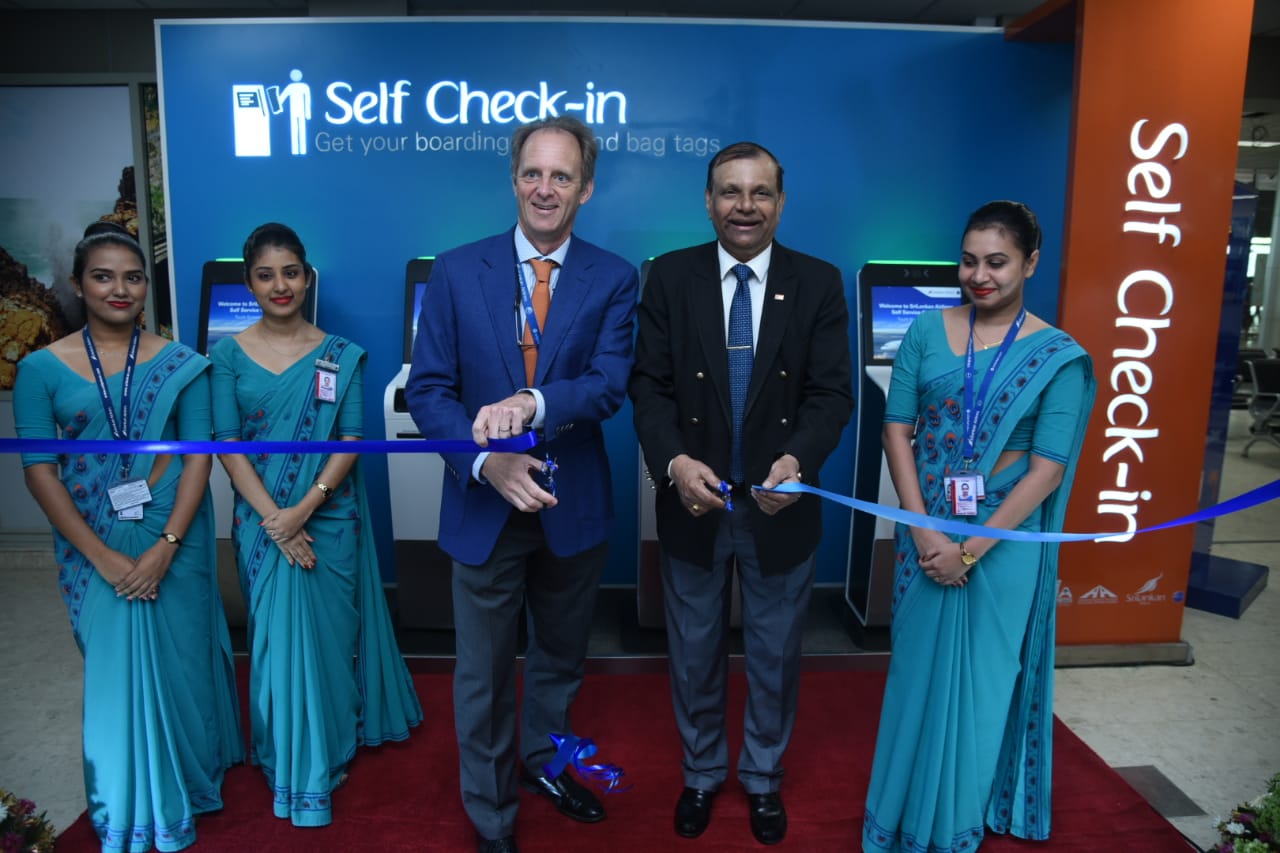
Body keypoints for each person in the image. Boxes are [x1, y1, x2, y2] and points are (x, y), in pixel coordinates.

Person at [405, 115, 638, 853]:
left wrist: (533, 404)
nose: (545, 188)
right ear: (513, 179)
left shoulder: (614, 277)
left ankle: (544, 762)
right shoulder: (455, 270)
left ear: (585, 188)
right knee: (480, 676)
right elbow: (428, 390)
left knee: (560, 660)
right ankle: (492, 816)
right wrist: (487, 463)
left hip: (573, 504)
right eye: (533, 173)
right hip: (484, 506)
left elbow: (608, 383)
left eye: (561, 175)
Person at [629, 141, 854, 845]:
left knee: (775, 654)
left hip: (779, 505)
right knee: (694, 651)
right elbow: (648, 387)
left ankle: (761, 777)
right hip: (693, 503)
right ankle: (701, 772)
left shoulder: (818, 282)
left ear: (780, 203)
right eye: (731, 191)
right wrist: (673, 464)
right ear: (708, 201)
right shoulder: (670, 277)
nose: (745, 206)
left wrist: (798, 459)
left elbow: (831, 394)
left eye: (760, 193)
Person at [862, 201, 1096, 852]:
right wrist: (922, 531)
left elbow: (1047, 470)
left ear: (1030, 263)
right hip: (924, 533)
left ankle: (956, 821)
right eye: (969, 262)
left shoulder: (1057, 357)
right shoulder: (926, 331)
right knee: (915, 678)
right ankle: (901, 819)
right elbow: (895, 431)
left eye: (997, 262)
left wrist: (970, 550)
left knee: (983, 687)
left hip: (1003, 545)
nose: (980, 276)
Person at [14, 229, 243, 851]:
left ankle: (192, 783)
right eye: (103, 276)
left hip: (175, 533)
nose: (120, 289)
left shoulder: (182, 363)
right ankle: (129, 807)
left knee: (184, 661)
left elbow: (198, 456)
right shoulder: (40, 369)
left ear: (147, 286)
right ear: (78, 284)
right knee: (116, 675)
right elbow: (39, 470)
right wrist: (103, 556)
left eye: (133, 277)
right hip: (93, 543)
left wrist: (166, 544)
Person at [210, 222, 422, 827]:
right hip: (260, 524)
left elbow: (351, 439)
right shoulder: (225, 356)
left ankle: (329, 746)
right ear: (249, 283)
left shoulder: (341, 355)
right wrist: (275, 520)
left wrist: (303, 511)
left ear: (307, 278)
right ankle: (286, 758)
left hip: (328, 520)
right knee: (275, 645)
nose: (280, 285)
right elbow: (227, 443)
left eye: (290, 272)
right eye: (265, 275)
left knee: (330, 640)